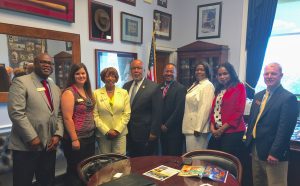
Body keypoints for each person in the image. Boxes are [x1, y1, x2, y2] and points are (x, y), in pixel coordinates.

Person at [7, 53, 64, 186]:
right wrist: (32, 137)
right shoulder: (21, 82)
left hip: (49, 146)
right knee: (23, 182)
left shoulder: (54, 88)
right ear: (35, 63)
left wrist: (58, 134)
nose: (47, 65)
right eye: (43, 62)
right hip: (26, 146)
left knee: (47, 181)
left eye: (50, 63)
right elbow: (16, 112)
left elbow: (59, 114)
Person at [245, 63, 299, 186]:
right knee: (258, 182)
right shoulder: (258, 95)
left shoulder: (288, 98)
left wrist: (275, 153)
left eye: (273, 73)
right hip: (256, 149)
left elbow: (285, 129)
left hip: (273, 154)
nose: (269, 76)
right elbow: (253, 121)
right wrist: (249, 144)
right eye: (266, 73)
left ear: (281, 75)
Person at [61, 63, 95, 186]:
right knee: (75, 170)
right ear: (73, 75)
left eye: (83, 73)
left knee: (86, 170)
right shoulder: (69, 92)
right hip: (77, 138)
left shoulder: (86, 90)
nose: (81, 76)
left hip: (90, 137)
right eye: (77, 73)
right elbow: (67, 118)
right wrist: (74, 139)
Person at [123, 59, 162, 157]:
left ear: (144, 70)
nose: (136, 71)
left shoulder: (154, 87)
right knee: (132, 160)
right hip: (128, 133)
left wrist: (154, 132)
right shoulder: (126, 86)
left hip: (145, 134)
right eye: (133, 68)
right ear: (130, 71)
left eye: (139, 68)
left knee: (145, 162)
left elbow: (158, 112)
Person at [208, 62, 246, 160]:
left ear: (231, 74)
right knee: (212, 159)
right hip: (217, 130)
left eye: (225, 73)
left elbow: (239, 111)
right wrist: (212, 127)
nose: (222, 77)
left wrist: (221, 129)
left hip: (233, 131)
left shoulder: (239, 87)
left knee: (226, 162)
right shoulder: (219, 89)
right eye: (219, 74)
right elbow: (214, 110)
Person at [94, 67, 131, 155]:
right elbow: (95, 115)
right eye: (107, 76)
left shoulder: (124, 93)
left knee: (119, 161)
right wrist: (106, 131)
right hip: (103, 135)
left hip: (120, 134)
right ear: (103, 78)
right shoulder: (96, 93)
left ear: (116, 78)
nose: (110, 78)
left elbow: (127, 113)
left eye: (113, 76)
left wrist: (117, 130)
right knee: (104, 160)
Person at [182, 62, 215, 152]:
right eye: (197, 70)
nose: (199, 72)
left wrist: (198, 128)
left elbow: (205, 108)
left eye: (202, 70)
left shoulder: (208, 85)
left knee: (196, 159)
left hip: (197, 130)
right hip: (189, 127)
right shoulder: (196, 84)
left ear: (207, 72)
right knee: (190, 156)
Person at [159, 63, 186, 156]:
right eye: (167, 71)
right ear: (163, 73)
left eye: (171, 71)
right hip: (160, 130)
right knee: (163, 157)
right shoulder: (159, 87)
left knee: (173, 158)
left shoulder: (181, 88)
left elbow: (179, 110)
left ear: (176, 73)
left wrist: (167, 125)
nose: (169, 73)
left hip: (174, 131)